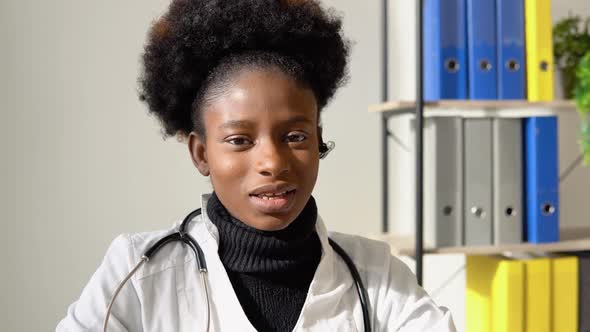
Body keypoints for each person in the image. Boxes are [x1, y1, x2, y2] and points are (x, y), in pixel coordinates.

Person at [56, 0, 456, 331]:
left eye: (295, 136)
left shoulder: (377, 274)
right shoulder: (138, 273)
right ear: (201, 153)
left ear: (318, 139)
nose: (272, 161)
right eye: (239, 140)